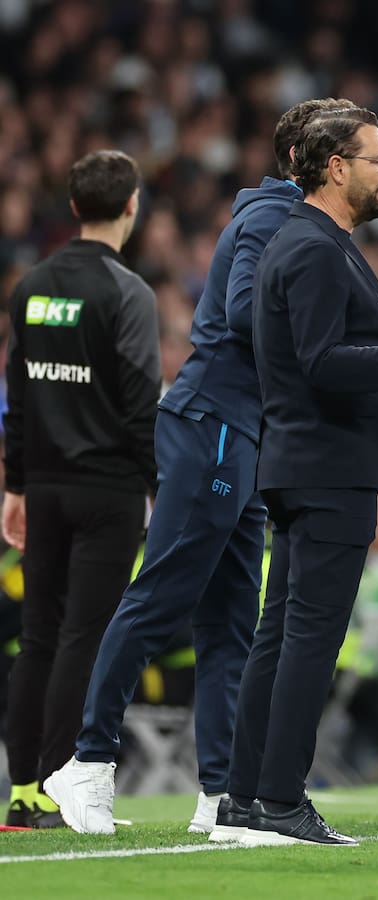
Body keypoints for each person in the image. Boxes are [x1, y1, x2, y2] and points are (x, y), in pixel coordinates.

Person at [44, 99, 378, 837]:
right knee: (162, 594)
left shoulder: (285, 222)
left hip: (249, 432)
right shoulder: (273, 222)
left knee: (234, 620)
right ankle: (89, 760)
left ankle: (222, 789)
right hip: (214, 421)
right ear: (317, 161)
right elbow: (243, 314)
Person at [219, 105, 378, 847]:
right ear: (336, 168)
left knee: (280, 635)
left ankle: (244, 800)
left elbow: (325, 345)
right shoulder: (312, 246)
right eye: (377, 159)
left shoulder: (309, 243)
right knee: (309, 637)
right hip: (326, 465)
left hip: (304, 464)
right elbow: (322, 364)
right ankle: (280, 800)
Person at [4, 150, 159, 829]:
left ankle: (22, 790)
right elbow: (139, 404)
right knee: (82, 637)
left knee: (37, 636)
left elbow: (18, 395)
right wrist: (157, 487)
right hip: (109, 489)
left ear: (73, 207)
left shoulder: (31, 285)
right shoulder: (128, 293)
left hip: (43, 483)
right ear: (131, 207)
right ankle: (60, 786)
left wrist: (13, 486)